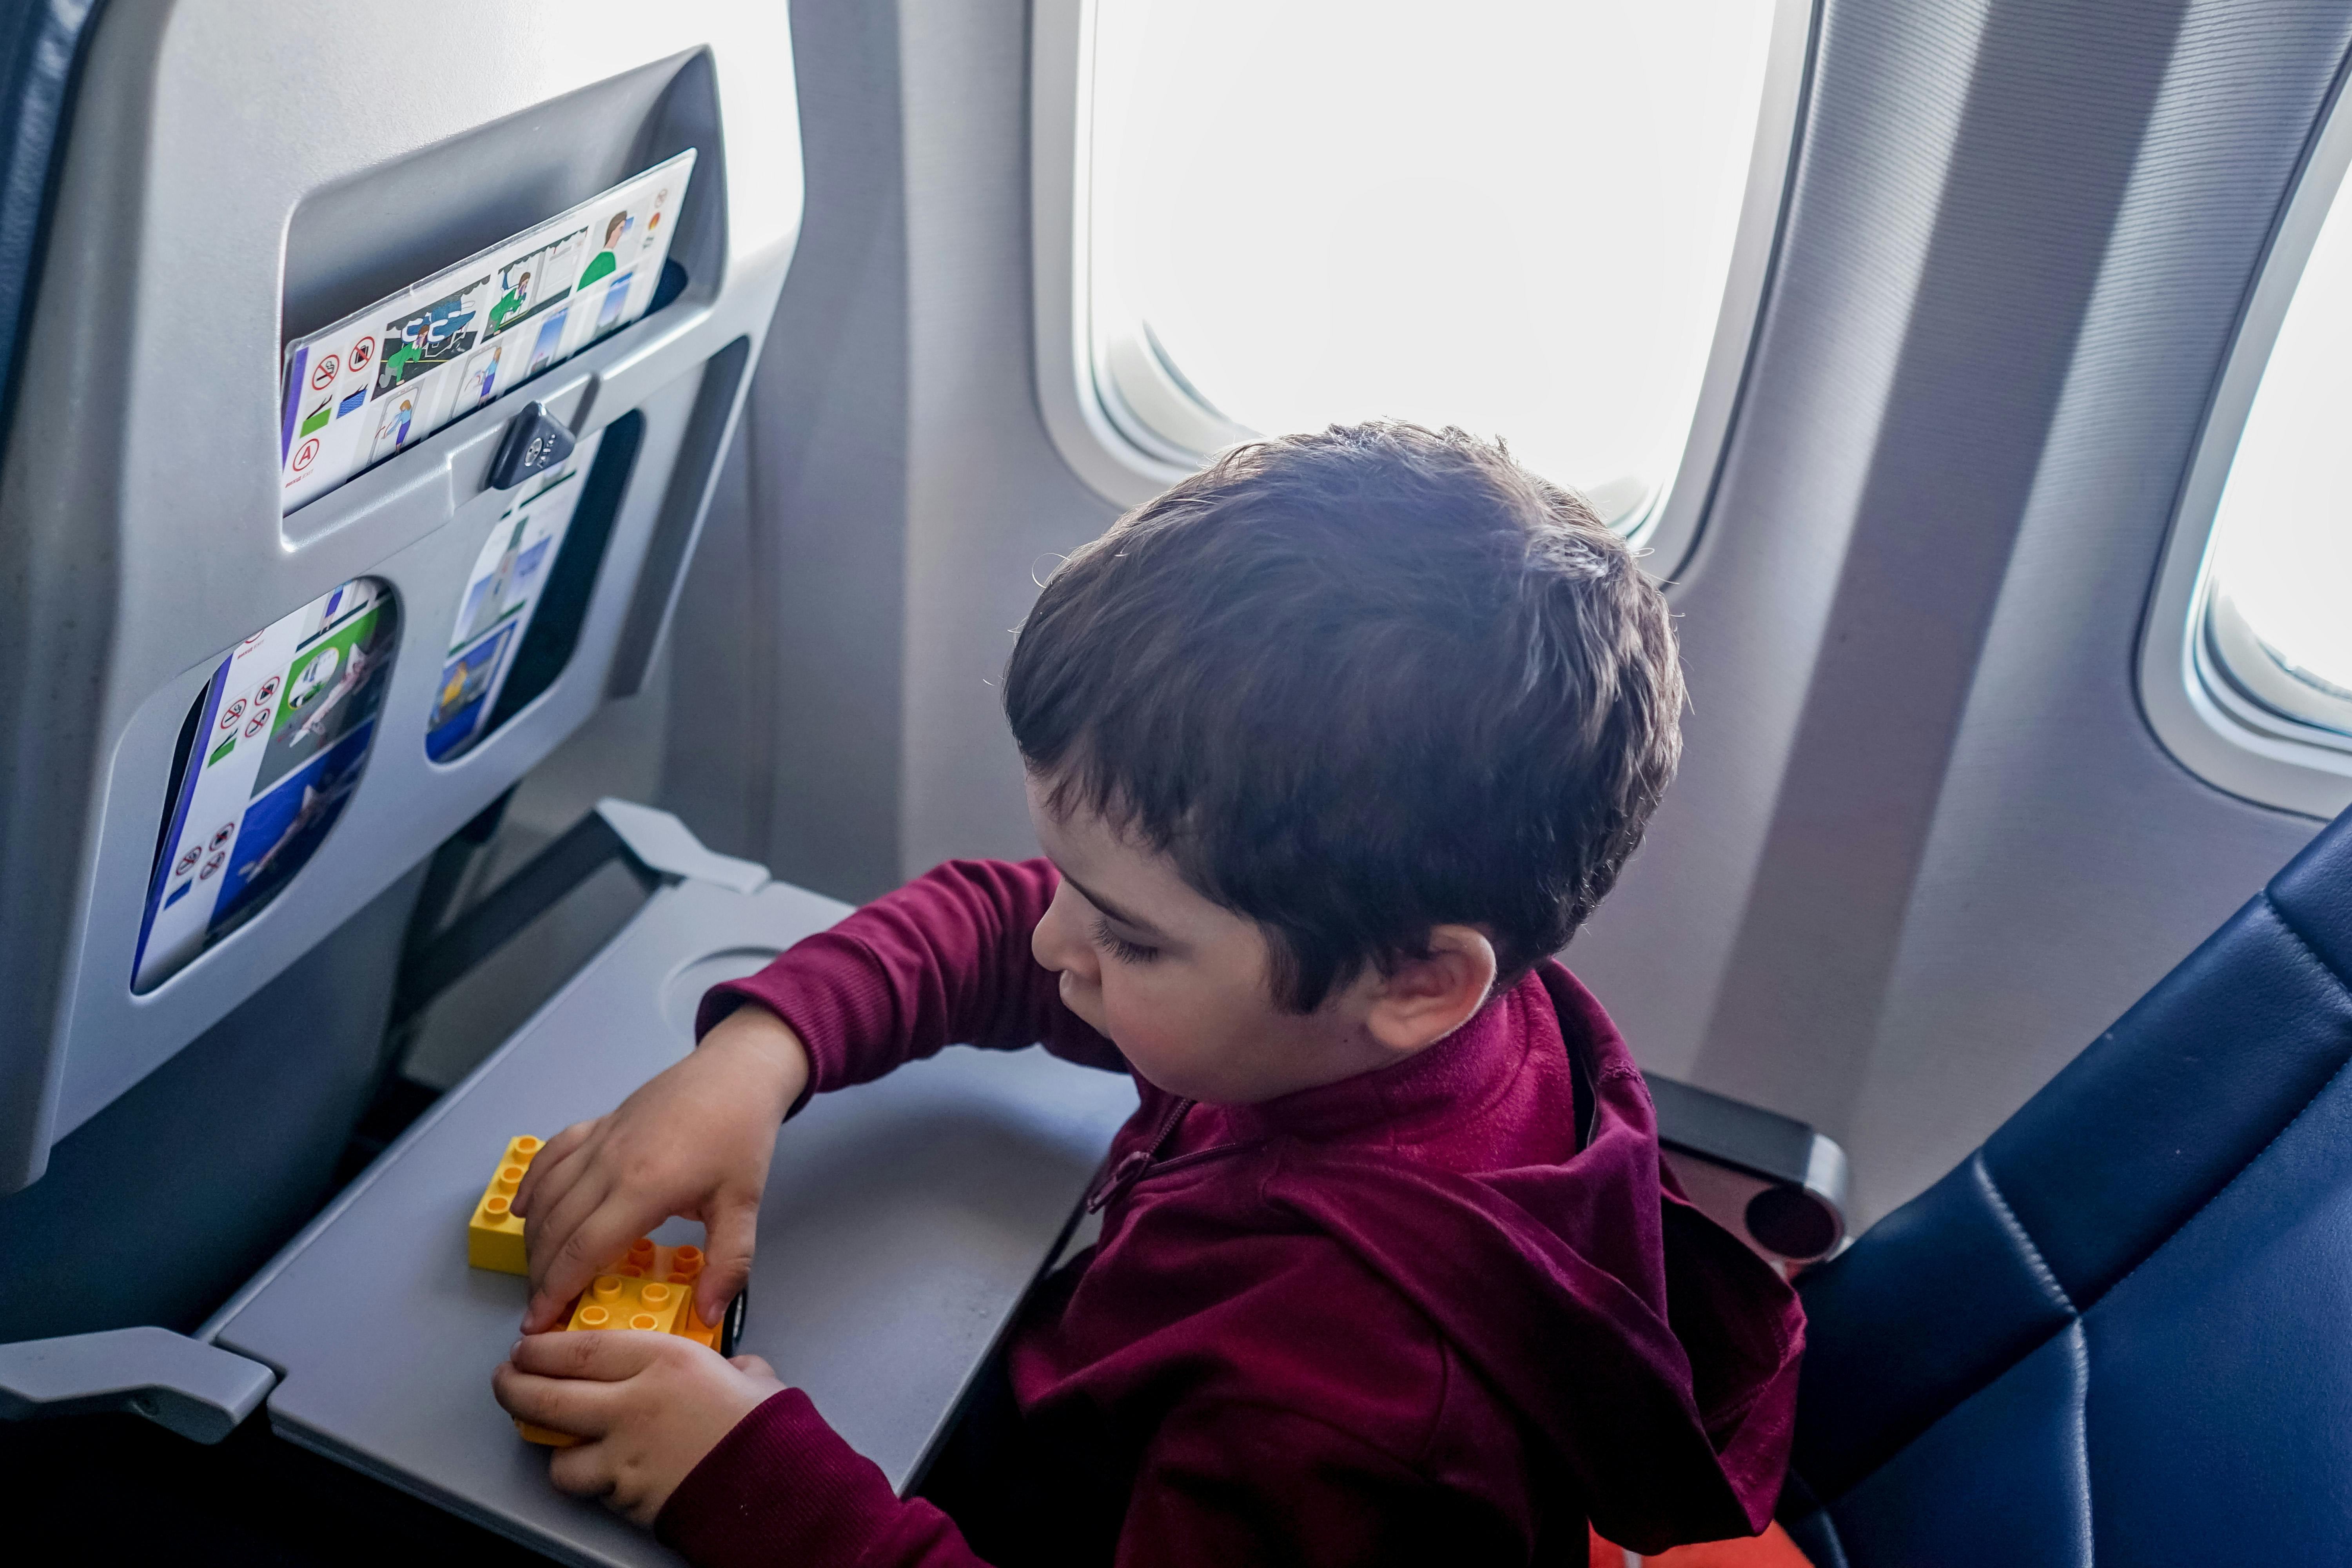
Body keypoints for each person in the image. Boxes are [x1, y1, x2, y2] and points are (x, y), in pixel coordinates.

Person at [491, 423, 1805, 1565]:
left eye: (1127, 936)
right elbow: (1002, 923)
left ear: (1416, 981)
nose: (1058, 942)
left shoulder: (1345, 1415)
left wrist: (746, 1480)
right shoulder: (1383, 1029)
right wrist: (754, 1061)